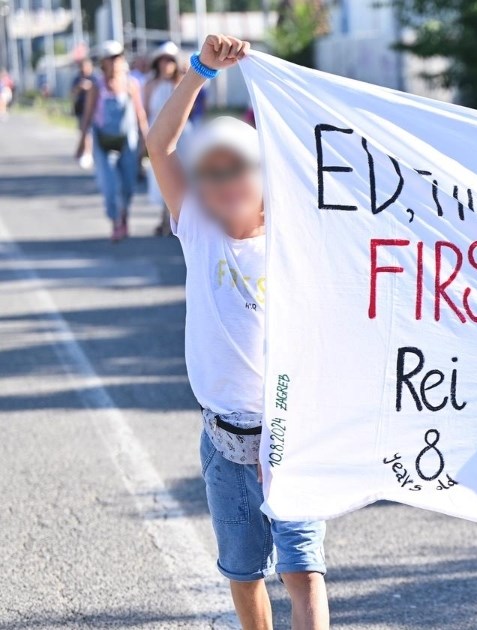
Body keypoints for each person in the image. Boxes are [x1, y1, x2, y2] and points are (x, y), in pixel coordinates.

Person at [145, 34, 330, 629]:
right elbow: (160, 143)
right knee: (245, 573)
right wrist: (198, 71)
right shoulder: (197, 225)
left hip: (292, 433)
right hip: (226, 441)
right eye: (212, 170)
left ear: (264, 174)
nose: (225, 182)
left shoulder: (295, 235)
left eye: (239, 169)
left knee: (304, 573)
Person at [75, 41, 149, 242]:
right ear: (103, 62)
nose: (115, 61)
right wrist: (82, 143)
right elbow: (87, 116)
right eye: (111, 58)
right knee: (109, 185)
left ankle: (124, 214)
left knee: (128, 184)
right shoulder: (96, 87)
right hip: (103, 139)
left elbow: (140, 114)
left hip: (127, 140)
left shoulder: (131, 84)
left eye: (118, 57)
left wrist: (146, 140)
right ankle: (116, 221)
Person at [144, 41, 188, 236]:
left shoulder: (181, 83)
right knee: (160, 177)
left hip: (181, 136)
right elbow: (144, 111)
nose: (166, 65)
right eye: (163, 61)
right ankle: (164, 219)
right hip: (157, 136)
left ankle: (177, 220)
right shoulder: (150, 85)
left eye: (170, 61)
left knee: (181, 175)